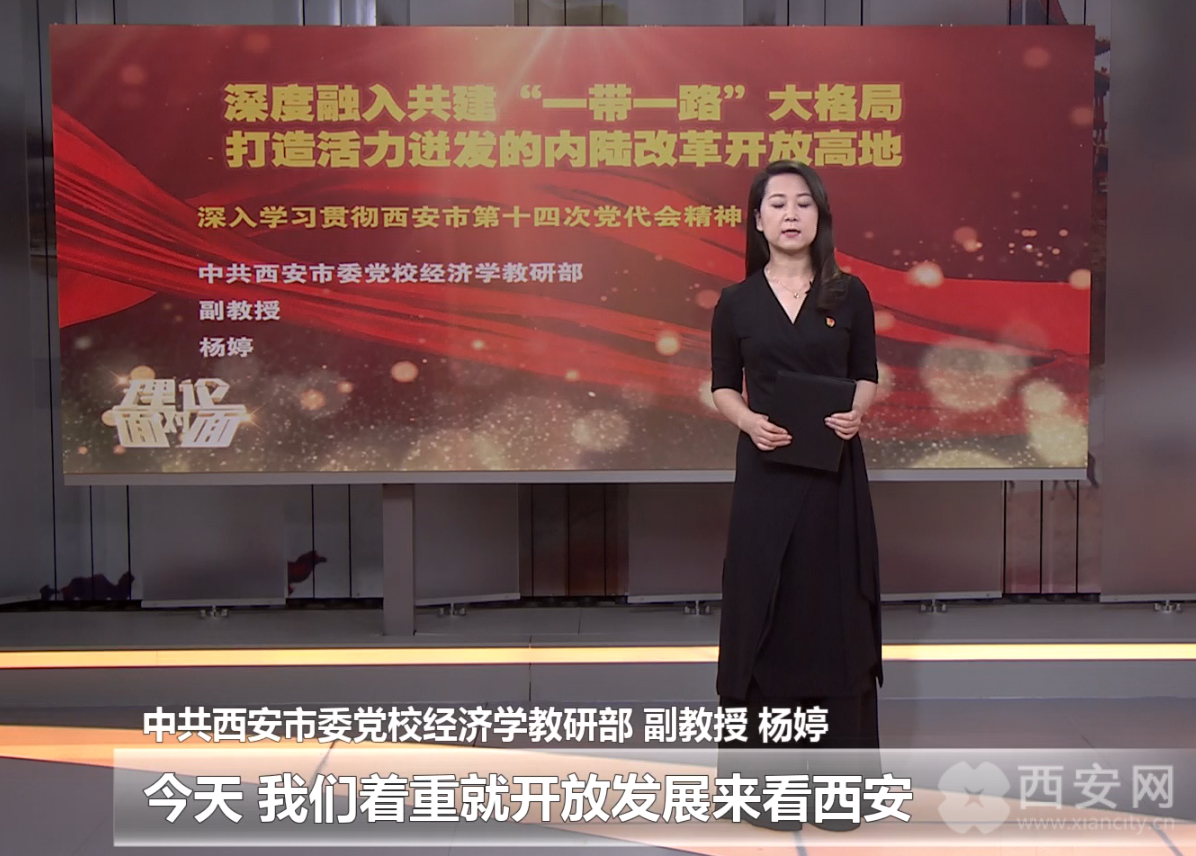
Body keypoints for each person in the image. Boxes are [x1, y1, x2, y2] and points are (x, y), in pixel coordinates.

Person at [709, 160, 882, 832]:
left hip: (833, 473)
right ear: (757, 220)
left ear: (820, 216)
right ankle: (764, 795)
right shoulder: (736, 302)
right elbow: (723, 385)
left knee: (833, 613)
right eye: (776, 203)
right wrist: (748, 421)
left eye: (803, 203)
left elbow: (865, 374)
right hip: (766, 471)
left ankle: (839, 797)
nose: (790, 214)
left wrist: (857, 411)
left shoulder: (850, 293)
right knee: (766, 609)